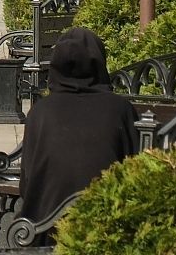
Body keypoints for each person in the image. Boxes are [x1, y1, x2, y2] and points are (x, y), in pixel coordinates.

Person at [19, 27, 139, 228]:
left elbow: (28, 178)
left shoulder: (41, 112)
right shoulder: (119, 109)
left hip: (47, 224)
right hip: (109, 222)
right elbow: (133, 165)